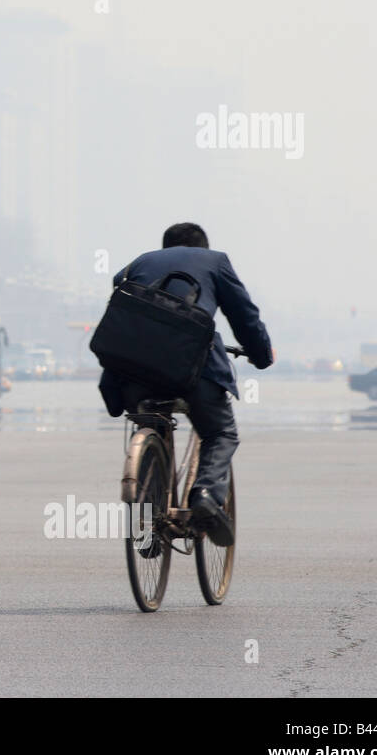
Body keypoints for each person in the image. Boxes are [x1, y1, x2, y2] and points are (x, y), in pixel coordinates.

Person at [98, 222, 274, 546]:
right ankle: (205, 494)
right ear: (202, 247)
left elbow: (117, 289)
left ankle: (150, 519)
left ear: (165, 247)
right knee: (220, 433)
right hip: (193, 373)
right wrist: (262, 355)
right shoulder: (215, 262)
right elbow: (244, 316)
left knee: (149, 418)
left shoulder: (140, 263)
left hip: (134, 374)